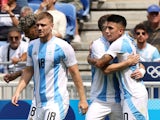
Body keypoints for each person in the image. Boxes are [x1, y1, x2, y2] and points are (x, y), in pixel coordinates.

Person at [11, 11, 88, 120]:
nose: (40, 28)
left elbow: (75, 73)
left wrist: (83, 99)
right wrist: (17, 91)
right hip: (37, 102)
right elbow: (28, 70)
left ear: (51, 26)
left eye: (43, 25)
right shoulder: (32, 46)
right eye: (37, 25)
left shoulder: (63, 46)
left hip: (56, 102)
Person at [87, 14, 148, 120]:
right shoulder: (99, 44)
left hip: (131, 95)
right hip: (106, 98)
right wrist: (89, 58)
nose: (107, 31)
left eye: (110, 28)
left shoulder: (118, 43)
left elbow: (104, 68)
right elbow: (102, 65)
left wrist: (142, 70)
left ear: (120, 30)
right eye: (105, 28)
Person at [3, 13, 39, 83]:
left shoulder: (48, 41)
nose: (25, 35)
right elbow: (29, 54)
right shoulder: (33, 41)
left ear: (35, 27)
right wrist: (17, 74)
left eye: (27, 31)